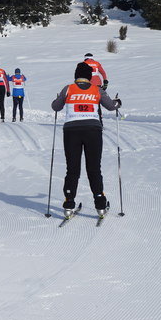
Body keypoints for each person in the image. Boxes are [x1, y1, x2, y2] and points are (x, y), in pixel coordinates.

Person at [51, 62, 122, 218]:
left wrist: (57, 99)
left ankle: (69, 203)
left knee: (72, 169)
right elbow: (111, 106)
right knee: (94, 168)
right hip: (93, 131)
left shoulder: (68, 89)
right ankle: (100, 205)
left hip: (71, 132)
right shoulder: (96, 89)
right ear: (90, 77)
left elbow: (56, 107)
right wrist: (118, 102)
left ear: (76, 76)